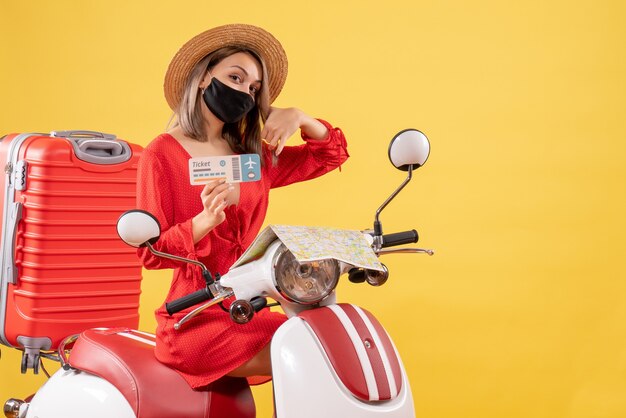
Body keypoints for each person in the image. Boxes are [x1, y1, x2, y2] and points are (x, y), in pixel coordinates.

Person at [136, 23, 349, 390]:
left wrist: (298, 116)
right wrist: (203, 221)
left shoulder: (252, 156)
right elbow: (151, 254)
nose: (244, 93)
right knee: (303, 356)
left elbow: (330, 154)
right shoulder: (161, 154)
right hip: (194, 315)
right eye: (235, 78)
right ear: (203, 78)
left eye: (253, 88)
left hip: (251, 304)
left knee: (321, 338)